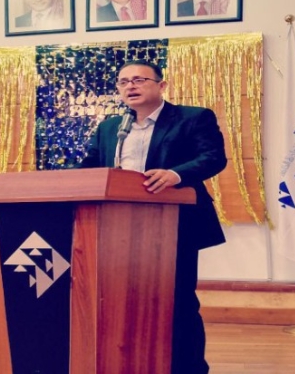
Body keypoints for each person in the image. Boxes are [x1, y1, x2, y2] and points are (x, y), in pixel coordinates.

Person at [79, 60, 227, 374]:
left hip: (174, 224)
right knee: (123, 301)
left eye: (139, 80)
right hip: (116, 229)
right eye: (123, 82)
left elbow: (213, 157)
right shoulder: (110, 127)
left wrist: (176, 174)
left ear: (161, 85)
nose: (130, 86)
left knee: (177, 300)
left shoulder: (192, 117)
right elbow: (89, 167)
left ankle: (189, 369)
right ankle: (134, 363)